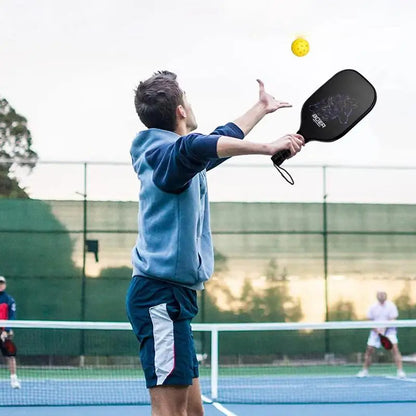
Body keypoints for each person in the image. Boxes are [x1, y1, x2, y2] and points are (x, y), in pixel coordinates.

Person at [126, 70, 304, 416]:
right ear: (180, 110)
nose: (190, 105)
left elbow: (216, 140)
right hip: (160, 298)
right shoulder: (167, 158)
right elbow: (199, 145)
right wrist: (268, 146)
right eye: (187, 99)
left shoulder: (177, 158)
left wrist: (260, 109)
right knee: (170, 411)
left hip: (174, 298)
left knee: (194, 411)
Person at [357, 290, 406, 379]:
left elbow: (393, 319)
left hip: (390, 332)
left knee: (395, 349)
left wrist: (384, 329)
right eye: (380, 294)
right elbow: (370, 321)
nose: (381, 296)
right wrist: (377, 331)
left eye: (383, 294)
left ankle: (400, 371)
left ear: (386, 296)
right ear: (377, 296)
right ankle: (364, 371)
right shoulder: (372, 307)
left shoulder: (391, 306)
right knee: (369, 350)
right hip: (375, 332)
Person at [0, 275, 21, 389]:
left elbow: (12, 316)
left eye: (1, 283)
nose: (0, 285)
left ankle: (14, 380)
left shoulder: (9, 300)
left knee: (10, 355)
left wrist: (6, 330)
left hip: (5, 332)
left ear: (5, 285)